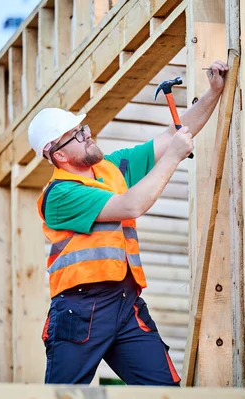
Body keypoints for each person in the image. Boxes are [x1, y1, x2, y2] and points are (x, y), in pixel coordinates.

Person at [26, 60, 229, 386]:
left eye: (84, 128)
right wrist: (174, 156)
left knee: (164, 391)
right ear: (58, 155)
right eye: (77, 134)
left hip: (125, 301)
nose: (87, 135)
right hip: (79, 308)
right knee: (65, 396)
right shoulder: (60, 194)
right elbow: (131, 204)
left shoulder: (110, 169)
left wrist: (213, 93)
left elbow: (173, 135)